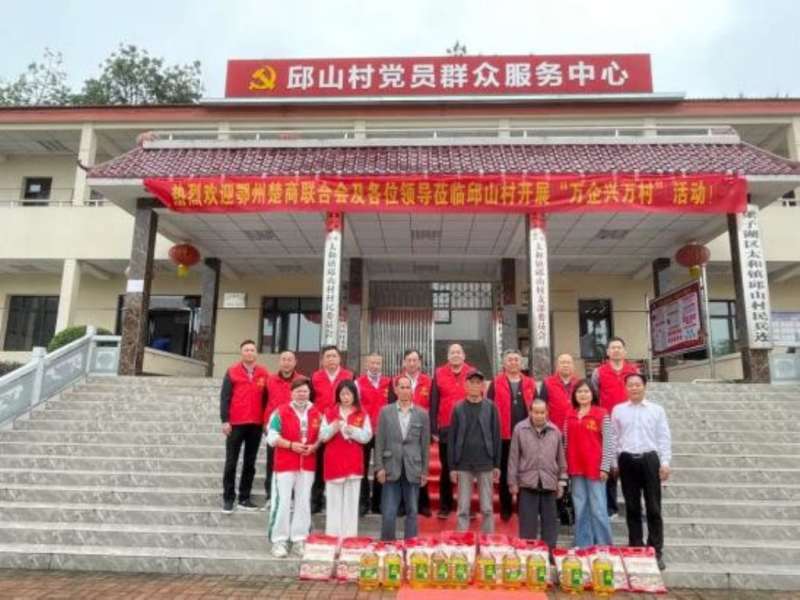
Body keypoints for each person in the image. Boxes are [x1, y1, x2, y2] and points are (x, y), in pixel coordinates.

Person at [612, 373, 672, 571]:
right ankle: (635, 547)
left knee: (653, 507)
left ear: (644, 387)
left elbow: (663, 437)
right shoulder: (618, 410)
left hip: (649, 460)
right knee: (632, 507)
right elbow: (614, 438)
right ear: (625, 388)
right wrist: (614, 462)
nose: (634, 388)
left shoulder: (656, 410)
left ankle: (656, 551)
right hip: (627, 460)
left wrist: (665, 462)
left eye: (638, 385)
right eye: (630, 385)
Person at [266, 377, 322, 558]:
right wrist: (291, 445)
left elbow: (321, 436)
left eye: (305, 391)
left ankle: (300, 538)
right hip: (285, 464)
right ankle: (279, 540)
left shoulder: (317, 413)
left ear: (309, 393)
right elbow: (271, 437)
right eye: (298, 391)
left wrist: (314, 446)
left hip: (307, 465)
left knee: (303, 502)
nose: (301, 394)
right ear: (291, 393)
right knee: (282, 502)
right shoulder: (280, 412)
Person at [374, 375, 430, 541]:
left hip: (413, 468)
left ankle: (410, 546)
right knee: (389, 512)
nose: (405, 390)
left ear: (412, 390)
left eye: (408, 387)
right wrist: (379, 467)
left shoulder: (422, 414)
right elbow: (379, 441)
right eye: (402, 387)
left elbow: (425, 445)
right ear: (396, 390)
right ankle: (387, 545)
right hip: (391, 467)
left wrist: (425, 471)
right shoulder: (385, 412)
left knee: (412, 511)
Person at [507, 399, 567, 553]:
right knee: (527, 525)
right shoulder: (520, 429)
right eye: (536, 412)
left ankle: (549, 555)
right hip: (527, 483)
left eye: (542, 412)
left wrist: (561, 481)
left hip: (549, 483)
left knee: (550, 525)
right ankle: (527, 554)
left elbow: (561, 459)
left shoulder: (555, 431)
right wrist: (512, 482)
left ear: (547, 413)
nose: (539, 415)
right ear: (530, 412)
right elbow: (513, 457)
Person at [219, 340, 269, 513]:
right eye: (246, 350)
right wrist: (225, 420)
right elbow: (225, 397)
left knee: (250, 462)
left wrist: (266, 421)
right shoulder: (232, 371)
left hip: (255, 424)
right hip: (235, 423)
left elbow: (267, 399)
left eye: (252, 350)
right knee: (231, 462)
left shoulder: (263, 373)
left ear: (256, 353)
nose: (249, 352)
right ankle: (228, 498)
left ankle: (244, 498)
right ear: (241, 353)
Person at [591, 337, 639, 518]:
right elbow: (594, 396)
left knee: (631, 464)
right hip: (607, 423)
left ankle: (634, 506)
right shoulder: (599, 372)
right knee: (609, 465)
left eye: (619, 347)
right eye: (613, 348)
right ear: (608, 352)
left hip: (630, 423)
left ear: (624, 351)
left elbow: (639, 393)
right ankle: (610, 507)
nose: (616, 350)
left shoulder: (633, 371)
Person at [564, 379, 615, 548]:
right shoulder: (569, 415)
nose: (583, 394)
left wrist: (605, 467)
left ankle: (604, 546)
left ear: (593, 394)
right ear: (574, 395)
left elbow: (608, 443)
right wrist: (565, 469)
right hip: (576, 469)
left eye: (586, 391)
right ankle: (583, 545)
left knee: (599, 509)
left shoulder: (601, 414)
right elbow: (566, 444)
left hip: (596, 470)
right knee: (580, 509)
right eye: (579, 392)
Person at [449, 370, 502, 533]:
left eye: (478, 383)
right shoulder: (458, 408)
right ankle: (461, 542)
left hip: (485, 463)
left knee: (487, 508)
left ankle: (488, 540)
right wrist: (452, 467)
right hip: (463, 463)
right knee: (463, 508)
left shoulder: (491, 407)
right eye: (471, 382)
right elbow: (452, 439)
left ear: (483, 386)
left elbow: (496, 436)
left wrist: (497, 464)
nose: (474, 386)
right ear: (466, 385)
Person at [486, 350, 535, 521]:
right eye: (510, 360)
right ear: (504, 363)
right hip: (503, 435)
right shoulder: (496, 382)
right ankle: (505, 507)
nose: (513, 362)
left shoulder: (529, 382)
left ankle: (523, 506)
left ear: (521, 363)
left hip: (526, 434)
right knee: (505, 471)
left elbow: (537, 406)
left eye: (516, 359)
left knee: (525, 470)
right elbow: (488, 407)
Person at [320, 380, 372, 539]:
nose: (346, 397)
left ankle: (349, 539)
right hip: (334, 462)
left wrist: (353, 431)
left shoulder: (362, 413)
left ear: (354, 395)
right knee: (333, 503)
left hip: (353, 463)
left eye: (349, 394)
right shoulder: (329, 413)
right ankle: (332, 537)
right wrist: (333, 427)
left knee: (351, 503)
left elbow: (367, 437)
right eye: (342, 394)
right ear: (338, 395)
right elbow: (322, 436)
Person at [430, 343, 473, 518]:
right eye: (452, 352)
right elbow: (434, 402)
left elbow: (479, 398)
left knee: (466, 469)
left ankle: (466, 506)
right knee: (446, 468)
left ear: (464, 355)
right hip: (446, 427)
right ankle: (445, 505)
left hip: (468, 428)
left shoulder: (472, 372)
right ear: (448, 356)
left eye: (458, 352)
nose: (455, 354)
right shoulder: (439, 373)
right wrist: (434, 428)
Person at [388, 349, 433, 517]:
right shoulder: (395, 381)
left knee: (419, 463)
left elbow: (433, 404)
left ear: (420, 363)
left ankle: (423, 503)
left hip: (421, 426)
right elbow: (390, 405)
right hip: (401, 426)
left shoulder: (428, 381)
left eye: (415, 360)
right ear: (403, 362)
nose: (412, 363)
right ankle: (401, 504)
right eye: (409, 360)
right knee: (401, 464)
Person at [310, 345, 353, 513]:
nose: (331, 359)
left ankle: (340, 501)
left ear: (339, 358)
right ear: (322, 360)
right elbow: (311, 401)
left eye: (334, 356)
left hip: (342, 425)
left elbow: (355, 399)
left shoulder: (349, 375)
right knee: (319, 464)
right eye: (327, 356)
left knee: (340, 463)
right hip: (322, 425)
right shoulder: (315, 377)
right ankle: (316, 499)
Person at [263, 351, 304, 506]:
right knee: (272, 463)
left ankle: (291, 497)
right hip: (274, 428)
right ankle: (270, 496)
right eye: (284, 359)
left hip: (295, 428)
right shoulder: (269, 380)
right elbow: (264, 402)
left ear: (295, 362)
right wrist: (265, 425)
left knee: (293, 464)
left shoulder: (302, 381)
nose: (286, 362)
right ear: (279, 362)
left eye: (290, 360)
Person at [356, 353, 392, 516]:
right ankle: (363, 502)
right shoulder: (358, 383)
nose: (375, 366)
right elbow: (355, 406)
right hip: (364, 430)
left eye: (378, 363)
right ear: (366, 364)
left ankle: (378, 503)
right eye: (372, 363)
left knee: (380, 467)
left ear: (381, 365)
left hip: (382, 431)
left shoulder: (389, 383)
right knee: (362, 467)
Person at [538, 353, 579, 433]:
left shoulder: (579, 383)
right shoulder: (547, 383)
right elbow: (541, 407)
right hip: (553, 429)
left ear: (573, 366)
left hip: (575, 428)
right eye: (562, 362)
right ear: (557, 366)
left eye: (568, 362)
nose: (565, 365)